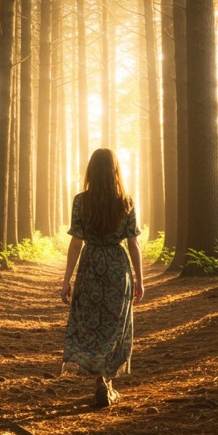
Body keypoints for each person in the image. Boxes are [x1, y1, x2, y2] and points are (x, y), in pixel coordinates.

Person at [60, 148, 145, 407]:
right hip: (117, 268)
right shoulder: (126, 201)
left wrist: (67, 279)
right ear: (115, 171)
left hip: (90, 266)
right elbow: (133, 243)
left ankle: (99, 378)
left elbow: (76, 242)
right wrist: (140, 279)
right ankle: (107, 381)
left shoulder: (80, 201)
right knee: (115, 326)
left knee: (90, 323)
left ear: (91, 171)